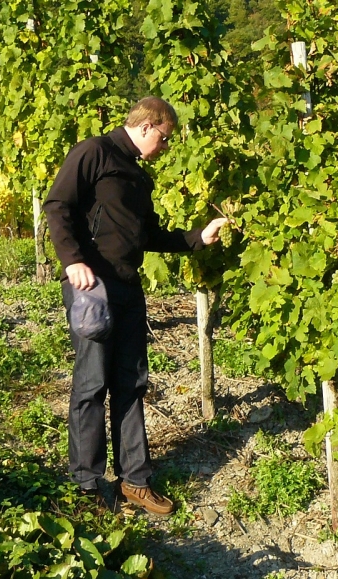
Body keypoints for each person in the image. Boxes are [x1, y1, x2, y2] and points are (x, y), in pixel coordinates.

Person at [44, 96, 228, 516]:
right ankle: (88, 484)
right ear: (147, 126)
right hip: (92, 286)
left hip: (128, 287)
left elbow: (149, 235)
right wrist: (73, 261)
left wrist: (199, 237)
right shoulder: (94, 153)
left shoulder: (137, 176)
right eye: (164, 139)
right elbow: (57, 206)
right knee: (91, 385)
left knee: (131, 383)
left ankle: (135, 481)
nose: (165, 147)